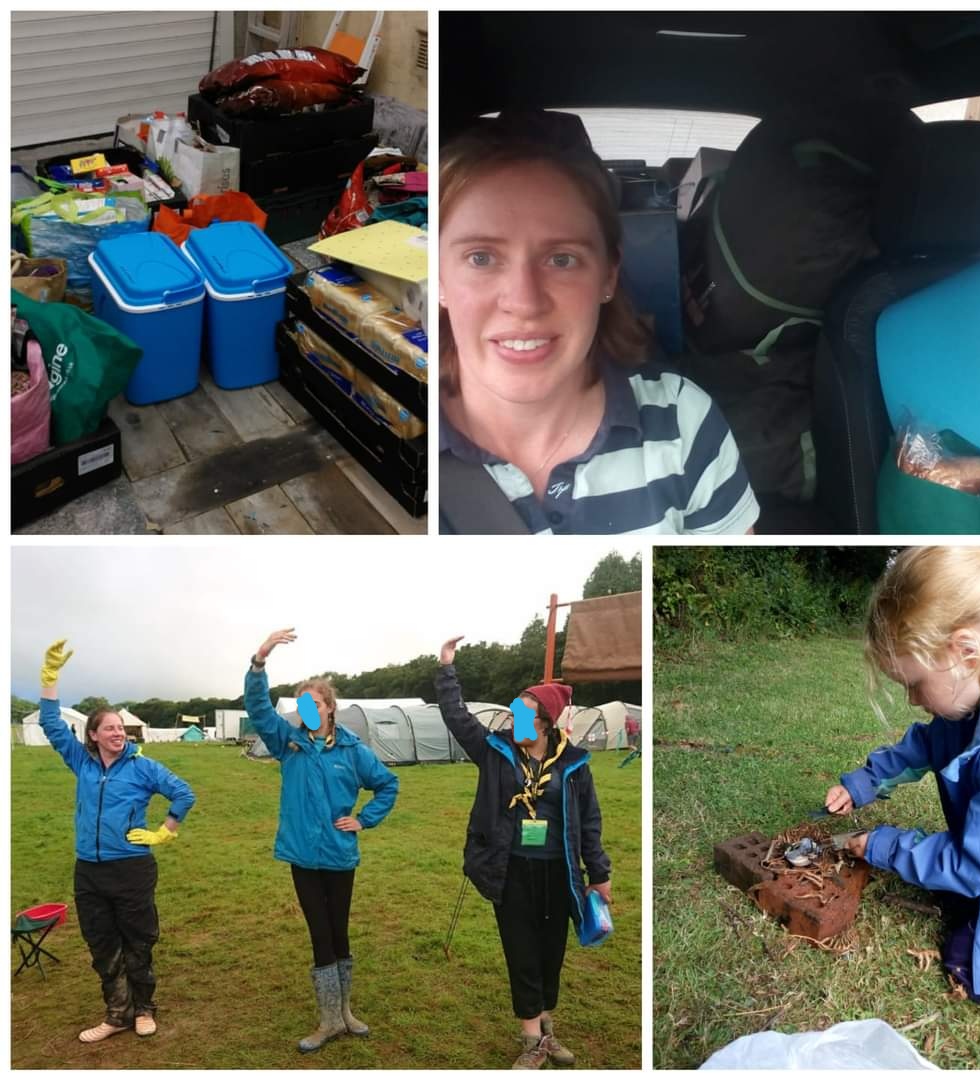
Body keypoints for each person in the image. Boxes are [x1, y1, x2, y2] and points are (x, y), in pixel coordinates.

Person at [438, 110, 758, 535]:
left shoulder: (684, 424)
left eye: (561, 259)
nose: (524, 302)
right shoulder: (408, 429)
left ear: (608, 274)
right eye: (481, 258)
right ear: (439, 277)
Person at [825, 546, 980, 1009]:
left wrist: (880, 845)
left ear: (964, 651)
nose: (914, 699)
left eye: (914, 684)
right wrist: (861, 784)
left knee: (972, 965)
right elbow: (925, 745)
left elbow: (972, 866)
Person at [436, 635, 613, 1069]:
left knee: (552, 950)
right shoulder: (495, 752)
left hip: (559, 872)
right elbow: (457, 718)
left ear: (545, 722)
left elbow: (589, 822)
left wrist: (600, 872)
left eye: (521, 713)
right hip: (510, 868)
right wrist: (446, 669)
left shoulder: (574, 765)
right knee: (521, 949)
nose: (511, 717)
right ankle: (531, 1039)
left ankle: (546, 1027)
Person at [243, 628, 399, 1053]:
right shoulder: (287, 741)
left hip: (338, 854)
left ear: (330, 708)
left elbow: (387, 785)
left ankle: (346, 1012)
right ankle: (329, 1020)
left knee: (339, 931)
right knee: (319, 933)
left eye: (316, 703)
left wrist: (363, 821)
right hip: (302, 855)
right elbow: (257, 708)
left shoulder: (352, 751)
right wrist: (260, 661)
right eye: (303, 704)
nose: (309, 709)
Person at [36, 639, 195, 1043]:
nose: (117, 733)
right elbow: (53, 727)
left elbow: (184, 793)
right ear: (92, 735)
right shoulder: (81, 761)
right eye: (109, 728)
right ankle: (116, 1013)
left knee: (138, 942)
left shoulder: (143, 767)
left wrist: (165, 831)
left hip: (131, 868)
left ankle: (144, 1010)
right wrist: (50, 681)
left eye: (120, 728)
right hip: (88, 869)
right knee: (102, 944)